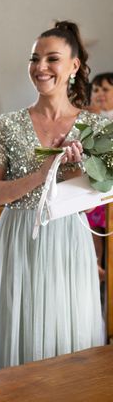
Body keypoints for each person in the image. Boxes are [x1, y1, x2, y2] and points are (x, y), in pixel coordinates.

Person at [0, 21, 106, 373]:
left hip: (69, 238)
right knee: (22, 334)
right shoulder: (6, 124)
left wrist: (82, 170)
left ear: (74, 66)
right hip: (19, 237)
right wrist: (43, 172)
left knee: (69, 333)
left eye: (52, 59)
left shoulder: (96, 128)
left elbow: (99, 196)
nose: (41, 67)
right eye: (35, 59)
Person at [86, 72, 113, 280]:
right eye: (95, 89)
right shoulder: (86, 116)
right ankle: (96, 267)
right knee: (93, 229)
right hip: (93, 183)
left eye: (105, 89)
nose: (99, 93)